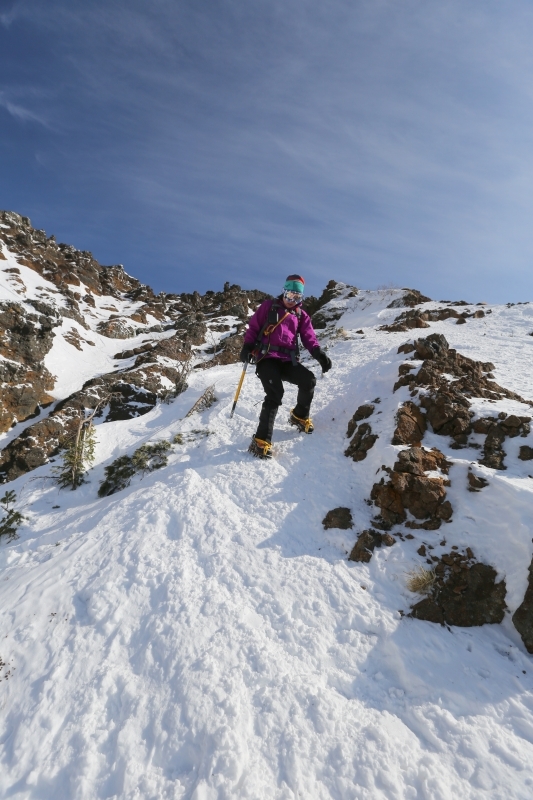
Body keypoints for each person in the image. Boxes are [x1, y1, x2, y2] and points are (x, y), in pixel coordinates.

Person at [239, 274, 332, 459]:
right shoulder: (268, 306)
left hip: (288, 360)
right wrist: (247, 347)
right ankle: (261, 440)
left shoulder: (300, 315)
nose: (292, 300)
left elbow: (309, 337)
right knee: (275, 393)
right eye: (290, 295)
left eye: (297, 298)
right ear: (284, 292)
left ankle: (299, 415)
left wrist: (318, 354)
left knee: (309, 380)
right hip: (266, 358)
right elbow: (254, 327)